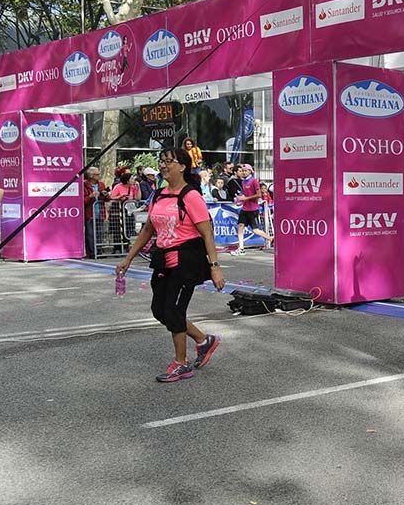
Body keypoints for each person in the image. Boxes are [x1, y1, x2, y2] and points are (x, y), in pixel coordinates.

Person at [115, 147, 225, 382]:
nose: (163, 165)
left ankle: (181, 364)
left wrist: (215, 267)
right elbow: (148, 229)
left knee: (174, 311)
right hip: (163, 259)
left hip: (187, 261)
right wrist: (128, 258)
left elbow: (207, 233)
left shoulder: (191, 196)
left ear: (183, 166)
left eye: (169, 161)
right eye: (162, 161)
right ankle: (204, 341)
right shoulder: (160, 194)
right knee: (160, 311)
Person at [231, 164, 273, 255]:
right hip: (244, 209)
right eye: (242, 171)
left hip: (253, 209)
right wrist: (239, 199)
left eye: (245, 170)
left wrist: (246, 198)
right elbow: (244, 194)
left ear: (250, 171)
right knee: (240, 226)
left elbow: (259, 195)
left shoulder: (254, 181)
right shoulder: (243, 182)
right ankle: (241, 248)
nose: (243, 172)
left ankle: (271, 239)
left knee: (255, 230)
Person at [83, 167, 109, 259]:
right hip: (90, 213)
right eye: (97, 174)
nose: (99, 176)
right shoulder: (84, 185)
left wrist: (106, 195)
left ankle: (99, 250)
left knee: (100, 232)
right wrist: (90, 196)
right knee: (90, 233)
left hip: (100, 212)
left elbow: (107, 199)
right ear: (91, 176)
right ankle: (92, 252)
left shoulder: (101, 184)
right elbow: (82, 200)